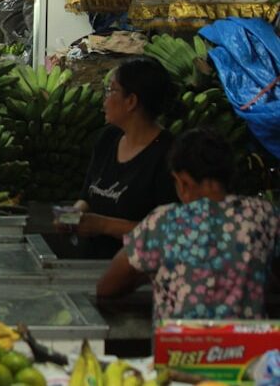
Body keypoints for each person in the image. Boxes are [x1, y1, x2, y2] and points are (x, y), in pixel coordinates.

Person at [96, 129, 280, 319]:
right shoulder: (264, 215)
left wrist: (153, 274)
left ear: (182, 181)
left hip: (179, 338)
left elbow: (107, 287)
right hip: (249, 338)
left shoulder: (163, 222)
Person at [63, 56, 178, 259]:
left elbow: (167, 231)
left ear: (131, 101)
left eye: (111, 90)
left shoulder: (169, 155)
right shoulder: (108, 139)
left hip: (137, 270)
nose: (105, 99)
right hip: (92, 264)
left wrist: (103, 225)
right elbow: (87, 196)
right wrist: (71, 217)